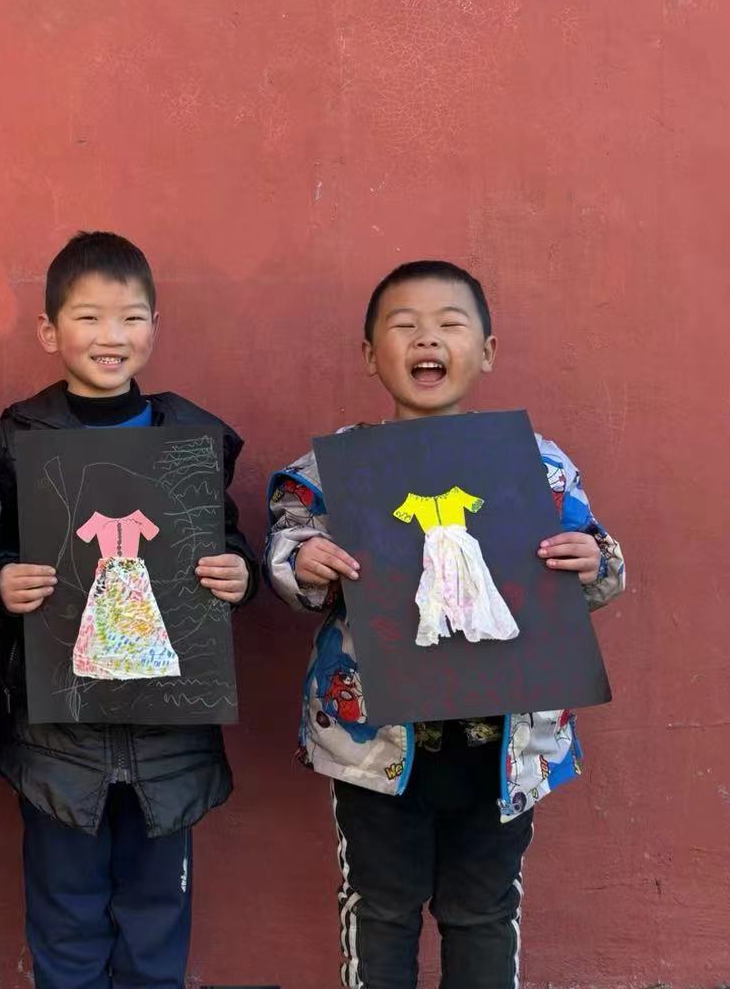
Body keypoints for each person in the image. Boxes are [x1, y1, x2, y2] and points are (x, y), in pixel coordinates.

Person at [264, 260, 628, 988]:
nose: (427, 338)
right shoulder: (334, 469)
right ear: (371, 355)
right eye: (403, 326)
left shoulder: (539, 466)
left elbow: (596, 563)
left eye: (450, 324)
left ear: (487, 351)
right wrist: (303, 563)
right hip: (379, 747)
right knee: (380, 907)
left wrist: (596, 562)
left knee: (484, 909)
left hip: (505, 741)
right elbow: (289, 542)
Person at [0, 231, 255, 989]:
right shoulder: (12, 445)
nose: (111, 336)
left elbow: (225, 543)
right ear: (49, 331)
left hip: (170, 737)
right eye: (89, 318)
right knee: (66, 918)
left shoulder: (189, 442)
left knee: (157, 918)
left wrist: (242, 575)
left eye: (131, 318)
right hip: (57, 739)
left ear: (155, 327)